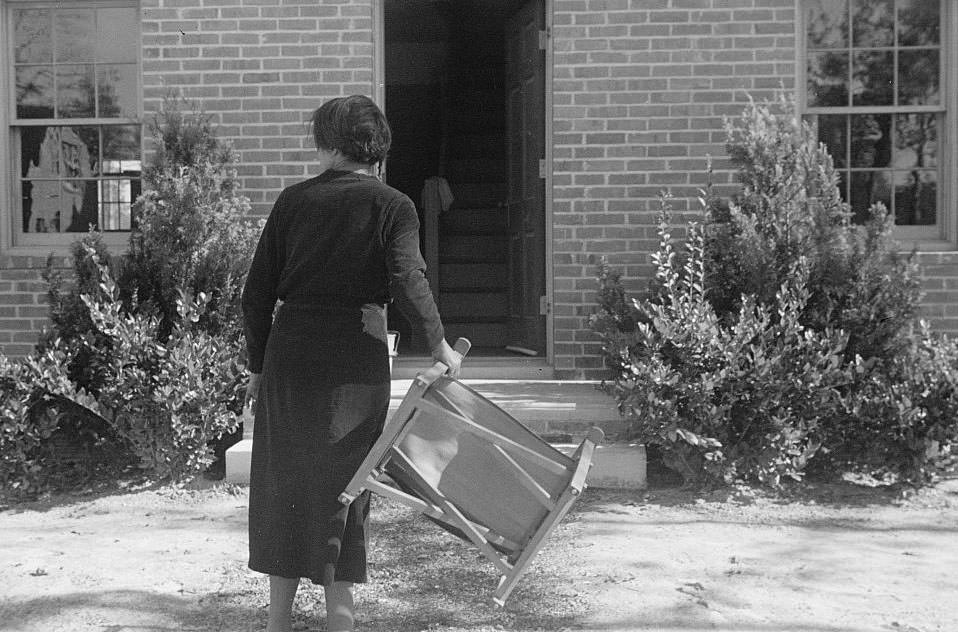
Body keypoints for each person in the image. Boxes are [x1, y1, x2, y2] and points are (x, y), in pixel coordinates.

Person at [242, 94, 461, 632]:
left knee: (284, 486)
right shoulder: (394, 206)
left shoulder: (292, 201)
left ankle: (278, 623)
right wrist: (439, 346)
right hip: (354, 357)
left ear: (329, 145)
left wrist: (257, 367)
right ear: (377, 147)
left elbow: (255, 296)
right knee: (346, 484)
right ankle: (341, 622)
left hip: (290, 353)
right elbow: (409, 283)